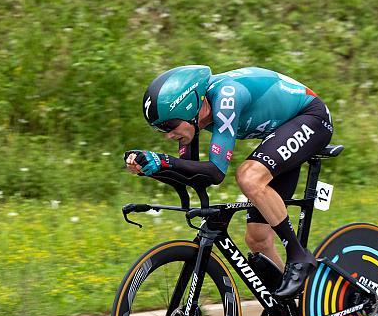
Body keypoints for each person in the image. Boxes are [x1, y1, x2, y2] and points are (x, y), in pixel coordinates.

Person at [125, 65, 333, 298]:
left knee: (249, 176)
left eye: (169, 126)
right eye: (159, 129)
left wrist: (164, 161)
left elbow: (215, 172)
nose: (167, 135)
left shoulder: (226, 97)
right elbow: (194, 176)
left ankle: (298, 256)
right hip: (283, 129)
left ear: (191, 108)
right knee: (258, 239)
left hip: (310, 117)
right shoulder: (194, 119)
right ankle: (300, 308)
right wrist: (150, 167)